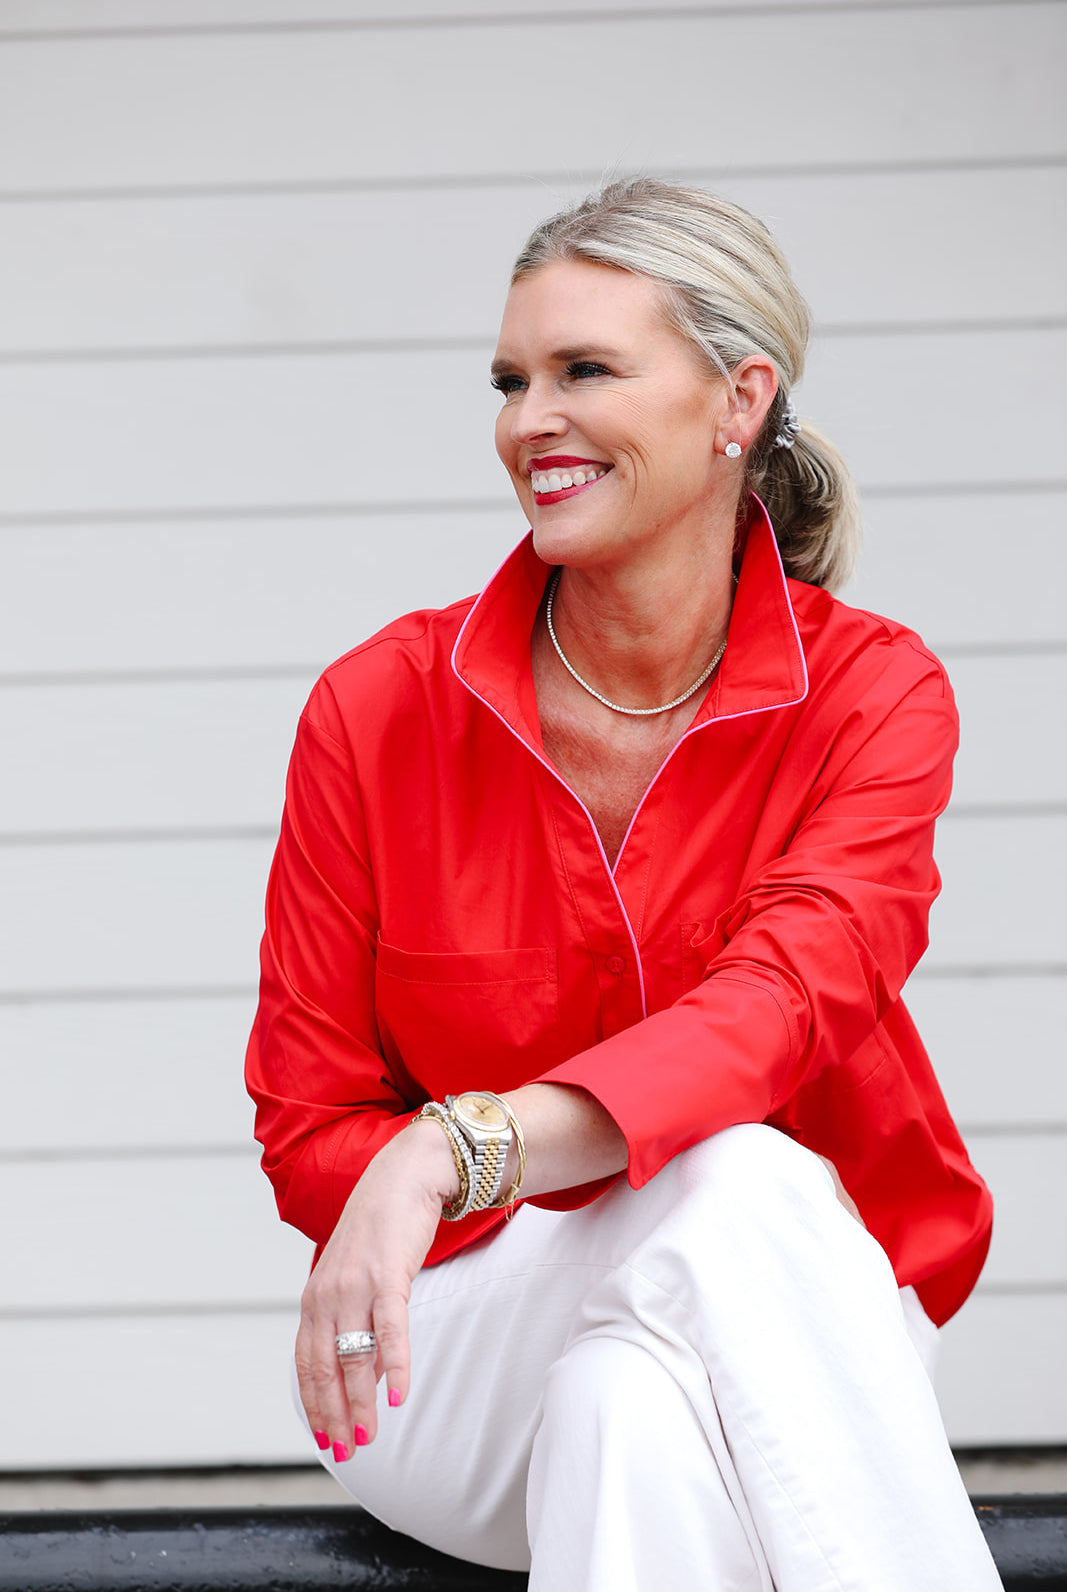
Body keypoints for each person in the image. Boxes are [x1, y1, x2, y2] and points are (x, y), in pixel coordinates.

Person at [246, 177, 1002, 1589]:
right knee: (730, 1174)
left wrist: (455, 1143)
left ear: (738, 401)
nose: (529, 419)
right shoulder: (377, 709)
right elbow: (309, 1128)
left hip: (805, 1317)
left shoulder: (871, 695)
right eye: (511, 380)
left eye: (585, 370)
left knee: (630, 1406)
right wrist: (453, 1172)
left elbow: (781, 1007)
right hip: (448, 1349)